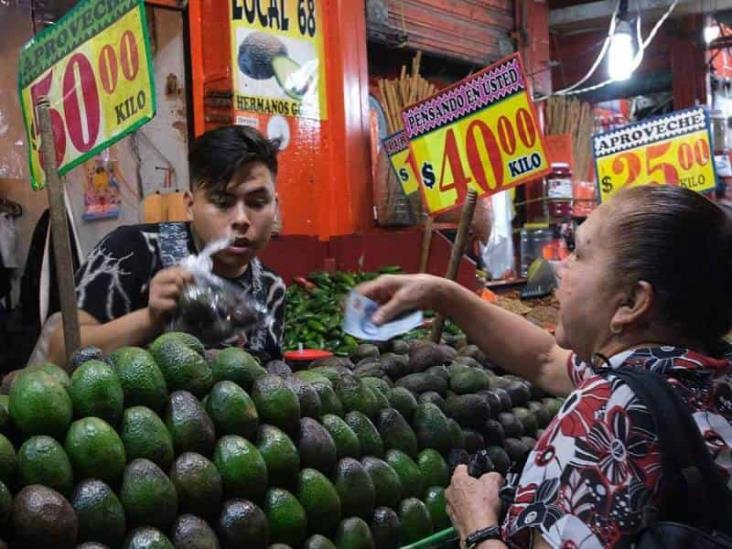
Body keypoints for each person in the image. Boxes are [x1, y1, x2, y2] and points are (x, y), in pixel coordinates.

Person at [358, 184, 732, 548]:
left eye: (578, 253)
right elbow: (545, 360)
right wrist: (443, 294)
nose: (559, 266)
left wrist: (477, 526)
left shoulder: (600, 417)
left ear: (632, 302)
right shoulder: (694, 374)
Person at [47, 125, 286, 366]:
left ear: (274, 207)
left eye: (257, 203)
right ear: (190, 205)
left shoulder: (270, 287)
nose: (241, 220)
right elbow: (58, 353)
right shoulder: (129, 252)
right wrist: (150, 319)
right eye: (223, 203)